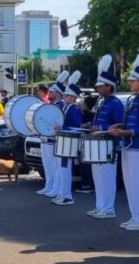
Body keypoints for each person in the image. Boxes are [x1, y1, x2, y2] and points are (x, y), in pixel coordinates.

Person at [108, 51, 139, 231]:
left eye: (133, 81)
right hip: (128, 146)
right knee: (130, 184)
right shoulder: (132, 99)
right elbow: (129, 122)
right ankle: (135, 216)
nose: (130, 83)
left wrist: (124, 131)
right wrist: (118, 125)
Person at [86, 55, 125, 219]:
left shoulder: (115, 103)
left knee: (107, 179)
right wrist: (89, 126)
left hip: (109, 145)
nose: (97, 89)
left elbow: (121, 123)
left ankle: (108, 208)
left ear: (109, 87)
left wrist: (100, 127)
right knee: (98, 178)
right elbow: (97, 119)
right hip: (98, 143)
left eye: (100, 86)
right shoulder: (101, 102)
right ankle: (100, 205)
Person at [52, 71, 84, 205]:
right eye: (64, 95)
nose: (64, 97)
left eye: (67, 95)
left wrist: (62, 128)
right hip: (63, 142)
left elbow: (76, 127)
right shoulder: (67, 108)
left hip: (68, 144)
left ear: (73, 97)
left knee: (65, 170)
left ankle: (67, 196)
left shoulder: (74, 109)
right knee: (60, 170)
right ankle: (61, 193)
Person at [38, 71, 68, 198]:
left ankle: (56, 187)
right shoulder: (51, 105)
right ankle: (49, 185)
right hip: (46, 138)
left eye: (52, 92)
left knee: (55, 166)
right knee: (48, 165)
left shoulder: (60, 105)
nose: (49, 93)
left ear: (58, 94)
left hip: (54, 140)